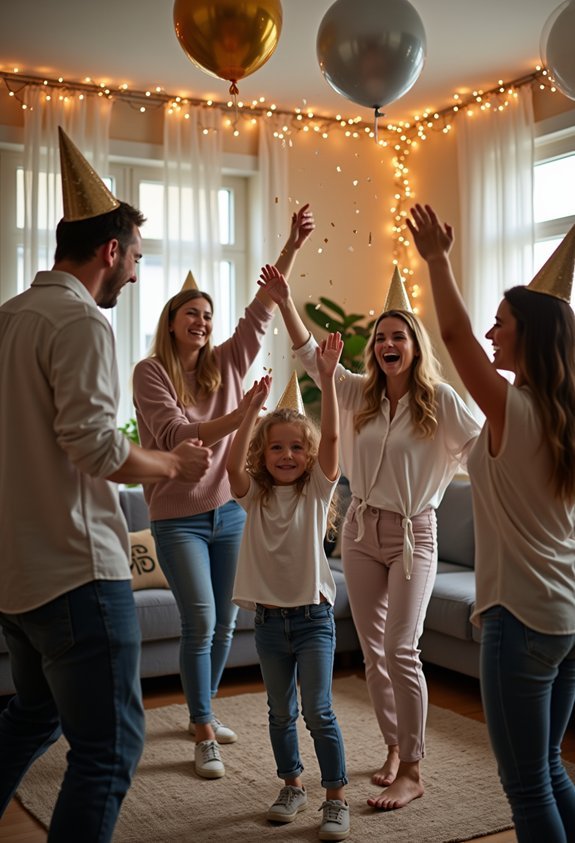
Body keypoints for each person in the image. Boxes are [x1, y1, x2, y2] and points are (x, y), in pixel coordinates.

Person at [0, 127, 211, 843]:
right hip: (76, 572)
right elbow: (94, 446)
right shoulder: (82, 321)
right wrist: (169, 464)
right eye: (136, 260)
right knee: (110, 749)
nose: (134, 276)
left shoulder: (8, 319)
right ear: (111, 252)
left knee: (32, 712)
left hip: (14, 576)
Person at [259, 262, 480, 811]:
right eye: (380, 337)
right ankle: (391, 747)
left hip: (413, 534)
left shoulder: (442, 402)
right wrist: (286, 301)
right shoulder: (356, 393)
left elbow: (483, 453)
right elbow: (313, 357)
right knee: (376, 652)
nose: (387, 343)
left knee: (403, 648)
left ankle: (413, 767)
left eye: (397, 336)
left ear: (414, 345)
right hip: (359, 530)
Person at [407, 203, 575, 843]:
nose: (487, 332)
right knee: (550, 773)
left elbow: (449, 338)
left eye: (500, 324)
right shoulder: (562, 415)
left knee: (527, 787)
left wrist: (437, 259)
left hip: (521, 618)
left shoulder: (515, 409)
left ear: (528, 335)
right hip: (565, 615)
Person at [132, 204, 315, 780]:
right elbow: (174, 434)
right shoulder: (151, 373)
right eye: (192, 313)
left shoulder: (227, 361)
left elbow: (262, 310)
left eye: (208, 314)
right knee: (200, 620)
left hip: (226, 513)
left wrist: (290, 245)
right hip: (176, 518)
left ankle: (199, 713)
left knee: (226, 622)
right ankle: (205, 730)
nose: (203, 321)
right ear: (171, 321)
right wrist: (240, 416)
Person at [227, 341, 351, 842]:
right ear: (264, 451)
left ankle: (336, 798)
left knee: (318, 709)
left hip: (312, 619)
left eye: (297, 447)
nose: (286, 455)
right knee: (281, 712)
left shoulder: (317, 491)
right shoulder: (254, 495)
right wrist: (249, 417)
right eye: (276, 446)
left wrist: (327, 381)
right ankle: (292, 786)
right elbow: (233, 468)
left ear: (310, 454)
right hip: (269, 624)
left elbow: (336, 435)